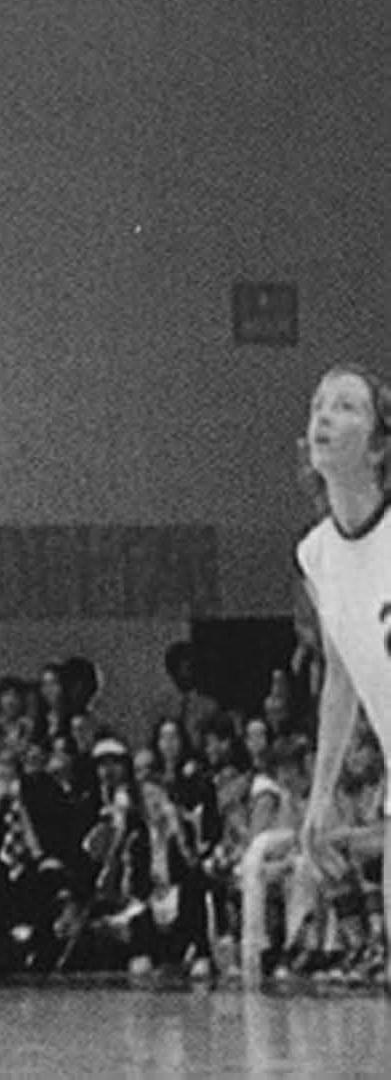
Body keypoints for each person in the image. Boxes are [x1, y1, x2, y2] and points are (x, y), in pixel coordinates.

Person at [294, 363, 391, 987]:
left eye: (347, 406)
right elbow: (340, 678)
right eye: (320, 404)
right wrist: (320, 795)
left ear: (381, 444)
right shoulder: (316, 553)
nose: (325, 415)